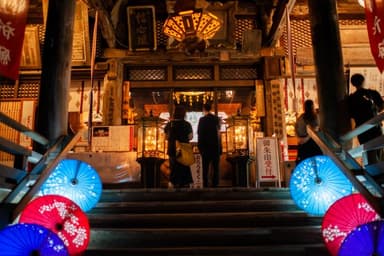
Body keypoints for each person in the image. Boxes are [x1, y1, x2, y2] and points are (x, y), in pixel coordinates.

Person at [347, 73, 384, 165]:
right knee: (379, 150)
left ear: (352, 84)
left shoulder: (351, 98)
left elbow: (350, 115)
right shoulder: (372, 93)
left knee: (367, 151)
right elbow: (382, 106)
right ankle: (378, 172)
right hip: (375, 127)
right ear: (363, 81)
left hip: (361, 130)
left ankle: (372, 171)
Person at [164, 105, 194, 188]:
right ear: (183, 114)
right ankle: (184, 183)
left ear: (174, 113)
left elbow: (166, 137)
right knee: (184, 166)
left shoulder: (170, 124)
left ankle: (173, 183)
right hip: (183, 149)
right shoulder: (187, 124)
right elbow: (190, 137)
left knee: (174, 167)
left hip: (172, 149)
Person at [197, 103, 222, 188]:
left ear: (204, 109)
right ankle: (215, 184)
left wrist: (200, 147)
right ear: (211, 108)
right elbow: (219, 134)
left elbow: (200, 133)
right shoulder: (217, 119)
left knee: (205, 167)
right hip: (216, 147)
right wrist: (220, 148)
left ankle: (205, 184)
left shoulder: (202, 120)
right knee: (215, 168)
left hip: (205, 148)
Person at [295, 99, 323, 164]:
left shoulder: (301, 118)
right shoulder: (317, 117)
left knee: (305, 162)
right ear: (313, 107)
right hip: (315, 144)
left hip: (304, 146)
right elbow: (319, 128)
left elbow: (298, 131)